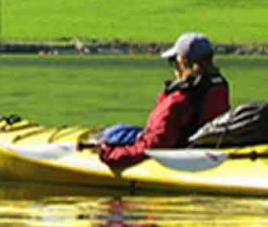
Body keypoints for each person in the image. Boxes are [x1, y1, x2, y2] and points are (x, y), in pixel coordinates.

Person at [98, 32, 229, 170]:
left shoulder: (179, 99)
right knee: (117, 131)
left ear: (182, 62)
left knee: (112, 136)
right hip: (199, 145)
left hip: (179, 154)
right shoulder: (218, 87)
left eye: (173, 62)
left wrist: (110, 154)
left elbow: (154, 145)